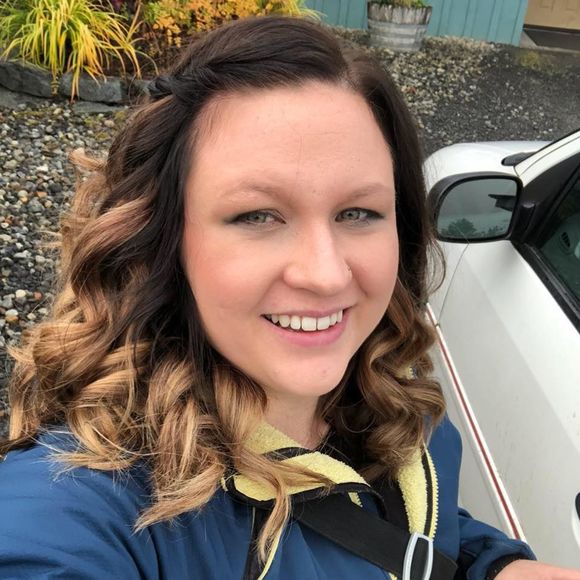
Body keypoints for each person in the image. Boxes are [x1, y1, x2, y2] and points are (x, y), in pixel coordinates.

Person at [0, 15, 577, 580]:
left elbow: (417, 527)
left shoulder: (389, 389)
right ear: (161, 239)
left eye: (358, 212)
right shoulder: (87, 503)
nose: (325, 275)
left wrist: (496, 566)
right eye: (257, 215)